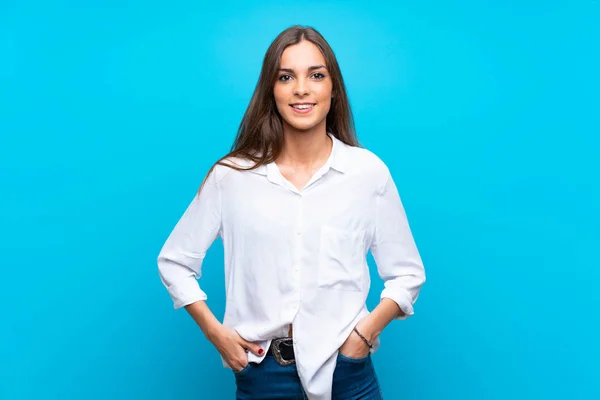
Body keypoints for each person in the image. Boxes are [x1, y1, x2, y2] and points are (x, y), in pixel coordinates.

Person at [157, 25, 426, 400]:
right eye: (286, 77)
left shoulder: (367, 173)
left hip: (347, 374)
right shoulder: (231, 177)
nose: (302, 88)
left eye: (316, 75)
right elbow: (174, 262)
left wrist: (362, 338)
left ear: (333, 88)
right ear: (272, 90)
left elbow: (408, 274)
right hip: (263, 377)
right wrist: (215, 333)